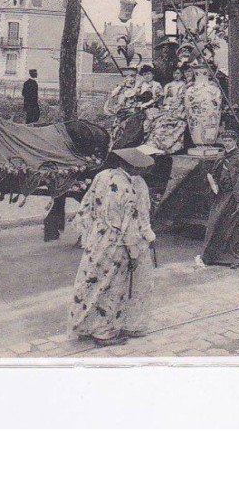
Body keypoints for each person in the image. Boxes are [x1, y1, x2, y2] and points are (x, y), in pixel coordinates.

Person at [67, 147, 156, 347]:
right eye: (139, 169)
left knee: (91, 281)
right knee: (112, 287)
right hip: (116, 244)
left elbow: (87, 206)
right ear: (130, 166)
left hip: (97, 238)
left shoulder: (102, 176)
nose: (140, 173)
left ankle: (85, 324)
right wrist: (134, 253)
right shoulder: (128, 189)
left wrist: (88, 233)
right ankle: (104, 332)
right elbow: (129, 226)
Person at [198, 130, 239, 269]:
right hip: (221, 195)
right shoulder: (221, 156)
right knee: (215, 224)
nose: (227, 143)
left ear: (235, 141)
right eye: (225, 140)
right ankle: (212, 256)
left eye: (230, 140)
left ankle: (235, 258)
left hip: (234, 196)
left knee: (234, 227)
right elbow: (215, 173)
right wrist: (213, 182)